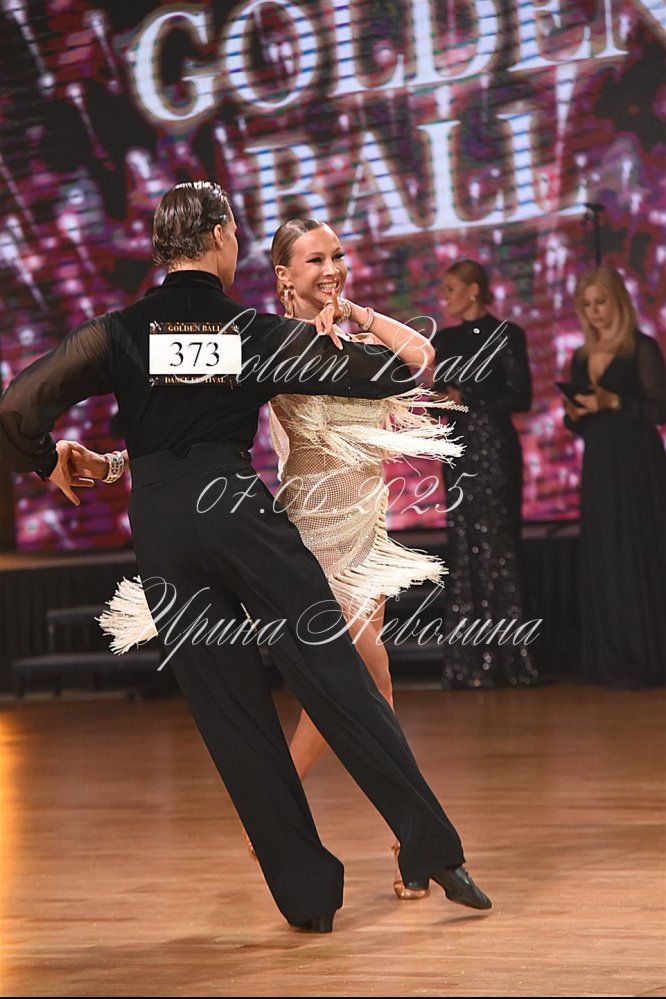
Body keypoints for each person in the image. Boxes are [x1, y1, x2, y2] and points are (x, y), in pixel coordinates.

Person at [0, 181, 491, 932]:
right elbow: (395, 372)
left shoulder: (118, 332)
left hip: (160, 526)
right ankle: (432, 848)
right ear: (222, 236)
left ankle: (308, 899)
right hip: (234, 510)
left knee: (232, 717)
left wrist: (47, 461)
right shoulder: (248, 331)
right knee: (336, 676)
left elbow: (16, 406)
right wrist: (351, 324)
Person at [90, 216, 465, 900]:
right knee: (353, 678)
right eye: (315, 259)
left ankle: (405, 844)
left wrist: (356, 313)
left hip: (365, 532)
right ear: (284, 274)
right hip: (310, 536)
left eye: (338, 254)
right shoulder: (266, 341)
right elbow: (183, 419)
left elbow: (421, 357)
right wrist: (117, 462)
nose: (332, 268)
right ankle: (299, 807)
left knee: (371, 685)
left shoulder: (353, 341)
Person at [432, 260, 539, 689]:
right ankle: (469, 664)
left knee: (499, 547)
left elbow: (521, 396)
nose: (445, 297)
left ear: (474, 290)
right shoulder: (445, 339)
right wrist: (439, 400)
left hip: (494, 449)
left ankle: (510, 661)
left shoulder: (508, 336)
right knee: (464, 546)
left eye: (451, 288)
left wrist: (469, 396)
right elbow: (441, 396)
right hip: (458, 451)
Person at [563, 264, 666, 688]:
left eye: (601, 302)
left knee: (641, 548)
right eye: (587, 305)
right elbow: (578, 423)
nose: (595, 312)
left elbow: (659, 410)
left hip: (639, 462)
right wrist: (575, 414)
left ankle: (648, 657)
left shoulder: (640, 348)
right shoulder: (580, 356)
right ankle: (613, 658)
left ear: (618, 302)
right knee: (607, 553)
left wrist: (615, 402)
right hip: (601, 463)